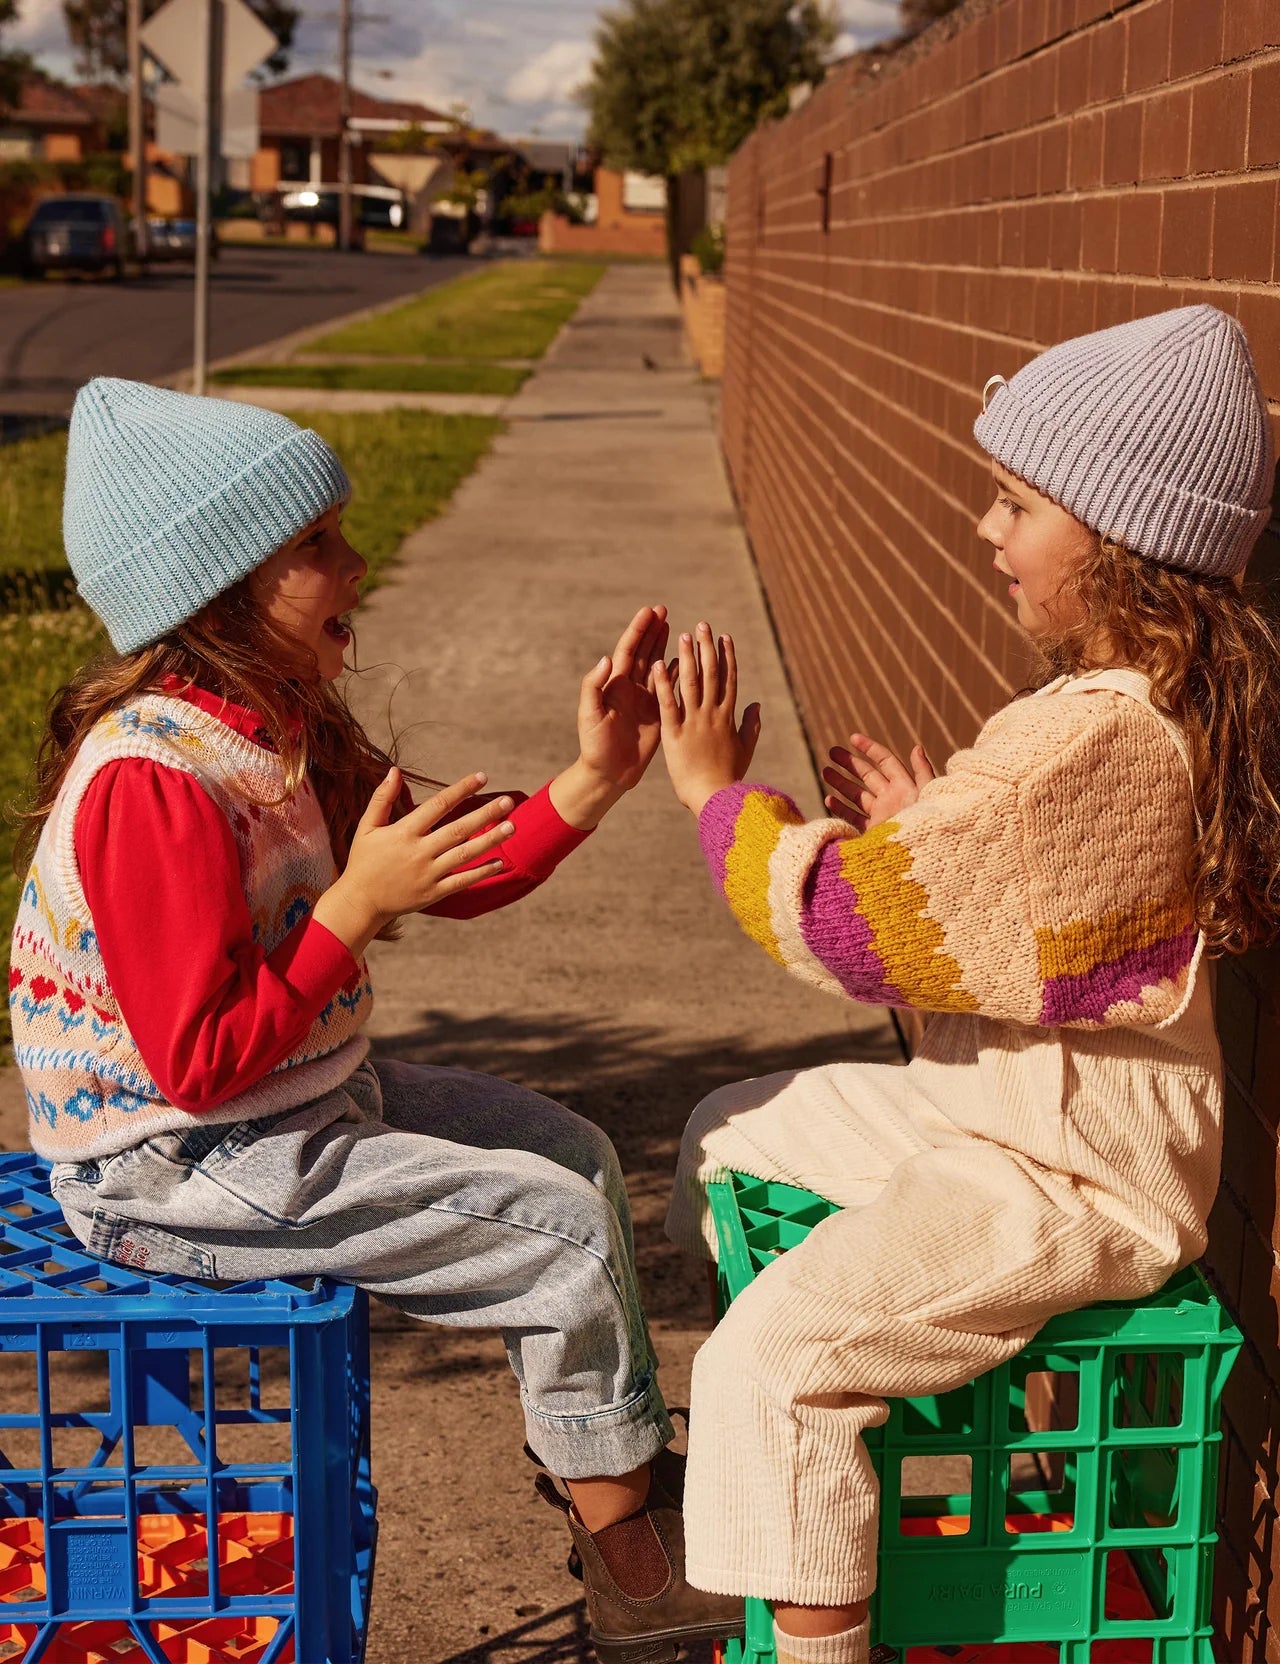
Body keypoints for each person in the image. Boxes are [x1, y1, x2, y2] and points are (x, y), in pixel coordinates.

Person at [10, 378, 743, 1664]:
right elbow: (197, 1057)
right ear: (222, 587)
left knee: (569, 1149)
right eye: (318, 545)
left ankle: (602, 1462)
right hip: (170, 1159)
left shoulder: (272, 725)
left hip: (284, 1102)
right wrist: (348, 908)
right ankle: (632, 1566)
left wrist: (590, 777)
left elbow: (449, 862)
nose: (357, 560)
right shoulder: (149, 782)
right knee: (562, 1237)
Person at [654, 306, 1278, 1664]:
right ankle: (819, 1500)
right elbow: (1050, 925)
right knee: (723, 1134)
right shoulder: (1120, 716)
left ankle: (815, 1563)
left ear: (1117, 544)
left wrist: (714, 796)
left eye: (1015, 502)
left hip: (1070, 1176)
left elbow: (842, 923)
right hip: (991, 1119)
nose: (986, 530)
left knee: (768, 1368)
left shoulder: (1093, 743)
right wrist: (939, 820)